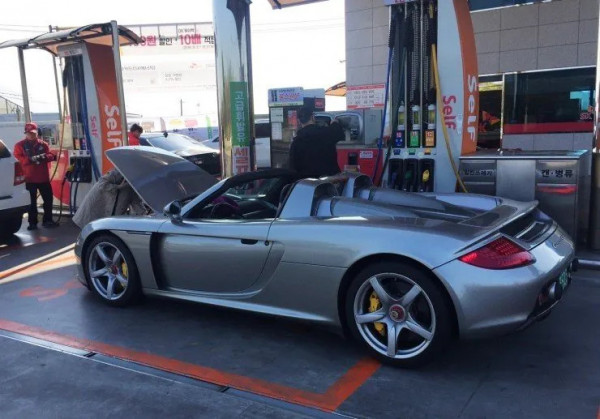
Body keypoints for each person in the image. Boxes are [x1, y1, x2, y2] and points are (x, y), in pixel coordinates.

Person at [13, 122, 58, 230]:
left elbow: (50, 155)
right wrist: (30, 159)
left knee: (48, 200)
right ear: (25, 133)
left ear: (37, 132)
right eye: (29, 133)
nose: (31, 135)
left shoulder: (43, 144)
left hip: (43, 178)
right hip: (29, 179)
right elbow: (17, 159)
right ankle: (32, 223)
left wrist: (45, 157)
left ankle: (48, 220)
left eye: (33, 133)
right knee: (31, 202)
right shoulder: (19, 145)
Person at [72, 169, 148, 228]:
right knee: (90, 234)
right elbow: (102, 184)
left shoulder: (132, 187)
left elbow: (137, 204)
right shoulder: (118, 173)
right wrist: (118, 187)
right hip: (96, 208)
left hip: (109, 218)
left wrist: (146, 216)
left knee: (102, 236)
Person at [288, 105, 345, 178]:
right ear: (313, 117)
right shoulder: (326, 133)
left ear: (299, 121)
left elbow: (293, 166)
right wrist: (335, 123)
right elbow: (339, 134)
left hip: (307, 181)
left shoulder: (296, 142)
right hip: (329, 179)